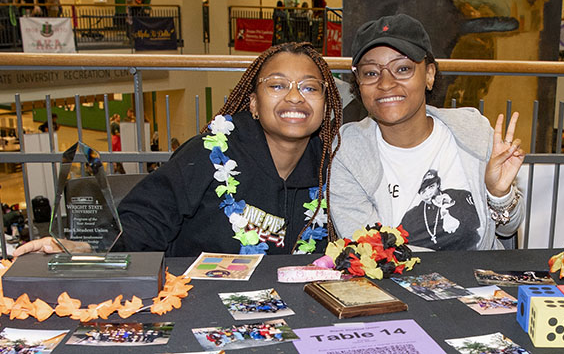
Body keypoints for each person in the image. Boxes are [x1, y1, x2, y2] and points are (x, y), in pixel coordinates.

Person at [13, 42, 343, 258]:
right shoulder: (208, 155)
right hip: (200, 304)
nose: (295, 97)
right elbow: (147, 219)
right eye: (277, 84)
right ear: (254, 103)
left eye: (310, 87)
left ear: (325, 102)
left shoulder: (330, 169)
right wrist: (83, 247)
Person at [330, 14, 525, 251]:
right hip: (391, 284)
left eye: (402, 69)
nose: (385, 83)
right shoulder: (347, 151)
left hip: (481, 282)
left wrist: (499, 194)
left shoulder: (472, 130)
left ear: (429, 74)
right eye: (371, 73)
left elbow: (508, 229)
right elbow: (370, 250)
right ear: (358, 83)